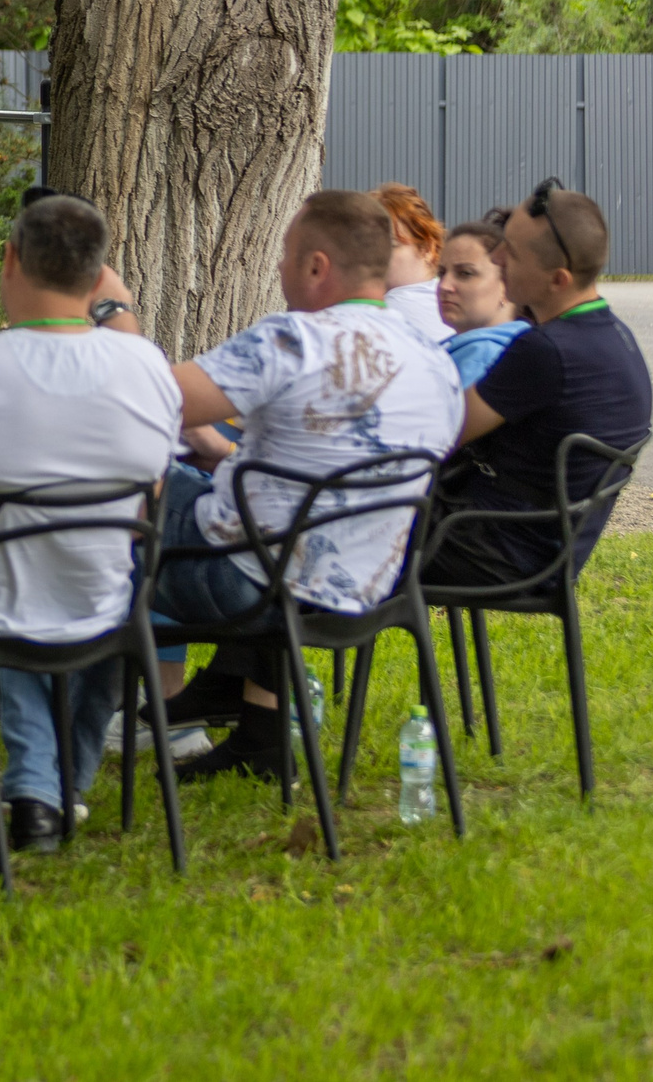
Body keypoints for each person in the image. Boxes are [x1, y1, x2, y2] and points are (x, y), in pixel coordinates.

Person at [110, 189, 463, 782]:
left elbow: (143, 400)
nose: (277, 268)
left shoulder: (292, 339)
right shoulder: (436, 364)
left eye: (285, 254)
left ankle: (59, 724)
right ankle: (261, 742)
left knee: (118, 478)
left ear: (317, 266)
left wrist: (113, 317)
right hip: (361, 588)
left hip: (247, 587)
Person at [0, 192, 182, 852]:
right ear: (98, 275)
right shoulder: (148, 370)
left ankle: (10, 790)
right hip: (102, 598)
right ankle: (49, 794)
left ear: (9, 259)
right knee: (44, 585)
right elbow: (152, 496)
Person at [429, 180, 653, 586]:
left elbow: (436, 433)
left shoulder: (546, 351)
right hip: (541, 545)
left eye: (510, 252)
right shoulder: (614, 336)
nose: (496, 258)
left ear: (558, 280)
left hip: (496, 548)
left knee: (320, 531)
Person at [435, 211, 527, 388]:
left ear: (507, 285)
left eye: (465, 274)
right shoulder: (523, 347)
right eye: (441, 273)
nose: (444, 286)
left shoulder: (484, 358)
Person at [373, 183, 452, 344]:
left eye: (391, 245)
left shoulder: (392, 307)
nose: (373, 256)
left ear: (427, 249)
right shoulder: (449, 302)